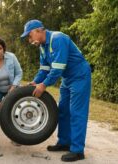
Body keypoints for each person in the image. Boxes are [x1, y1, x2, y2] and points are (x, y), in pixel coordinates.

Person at [20, 20, 91, 162]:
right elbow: (44, 70)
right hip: (67, 79)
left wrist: (43, 85)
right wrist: (36, 82)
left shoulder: (58, 39)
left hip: (79, 77)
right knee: (63, 111)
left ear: (39, 30)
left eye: (30, 35)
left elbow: (58, 68)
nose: (29, 39)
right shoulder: (42, 46)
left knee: (77, 113)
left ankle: (77, 151)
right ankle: (64, 142)